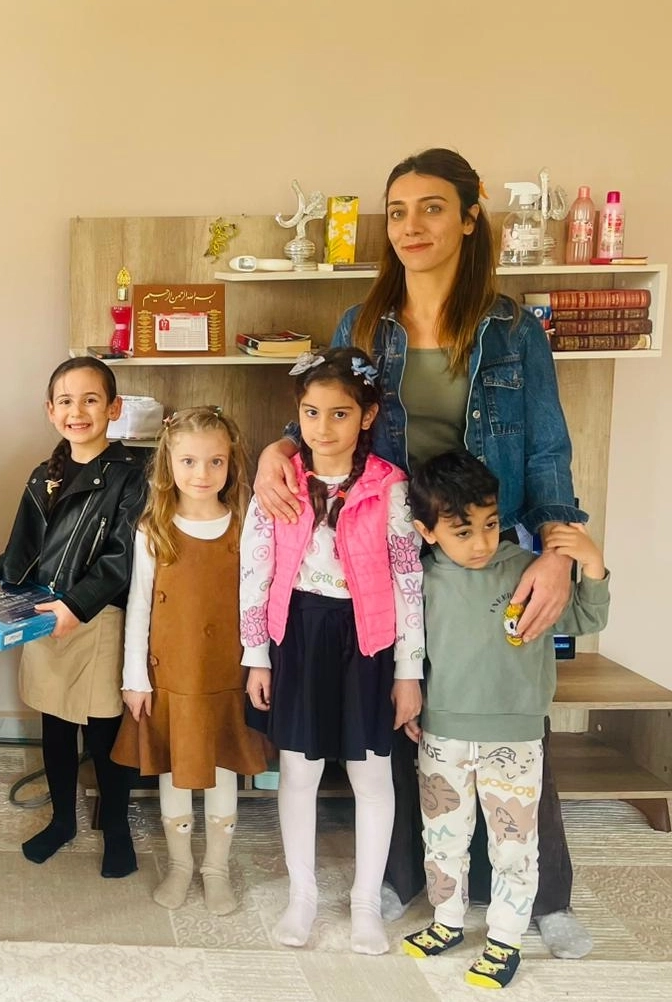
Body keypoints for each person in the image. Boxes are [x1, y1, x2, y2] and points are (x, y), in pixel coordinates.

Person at [252, 148, 592, 958]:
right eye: (398, 211)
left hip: (487, 542)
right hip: (392, 543)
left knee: (510, 715)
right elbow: (331, 410)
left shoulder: (513, 330)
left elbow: (547, 449)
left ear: (470, 218)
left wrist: (557, 549)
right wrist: (278, 448)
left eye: (432, 208)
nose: (412, 226)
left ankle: (540, 893)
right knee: (405, 715)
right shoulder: (364, 325)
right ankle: (414, 878)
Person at [398, 451, 609, 989]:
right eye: (462, 531)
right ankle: (447, 922)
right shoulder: (419, 579)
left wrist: (592, 563)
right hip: (442, 734)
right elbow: (408, 652)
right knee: (442, 839)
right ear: (426, 531)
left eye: (490, 525)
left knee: (513, 847)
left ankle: (506, 939)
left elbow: (587, 617)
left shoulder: (524, 568)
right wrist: (413, 704)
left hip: (514, 738)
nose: (481, 542)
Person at [241, 346, 425, 955]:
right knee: (299, 771)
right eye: (312, 413)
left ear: (367, 416)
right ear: (298, 414)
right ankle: (303, 897)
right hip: (298, 634)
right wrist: (256, 655)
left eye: (340, 414)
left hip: (367, 640)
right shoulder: (278, 482)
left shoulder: (390, 488)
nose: (323, 428)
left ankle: (367, 904)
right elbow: (255, 571)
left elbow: (408, 581)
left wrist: (407, 670)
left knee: (372, 773)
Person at [0, 357, 146, 879]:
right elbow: (24, 545)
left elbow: (122, 556)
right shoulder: (43, 475)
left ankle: (116, 829)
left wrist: (77, 605)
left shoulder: (132, 477)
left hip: (96, 618)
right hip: (41, 615)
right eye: (67, 401)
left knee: (104, 732)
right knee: (54, 725)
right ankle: (62, 822)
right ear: (51, 411)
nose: (79, 411)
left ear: (113, 408)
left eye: (91, 400)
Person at [111, 406, 267, 912]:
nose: (203, 474)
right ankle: (180, 865)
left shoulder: (246, 524)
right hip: (170, 676)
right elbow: (139, 605)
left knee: (222, 770)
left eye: (215, 462)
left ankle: (216, 868)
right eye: (190, 462)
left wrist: (259, 661)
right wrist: (135, 677)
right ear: (169, 463)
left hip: (226, 673)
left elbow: (257, 601)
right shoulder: (154, 528)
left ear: (231, 463)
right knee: (173, 770)